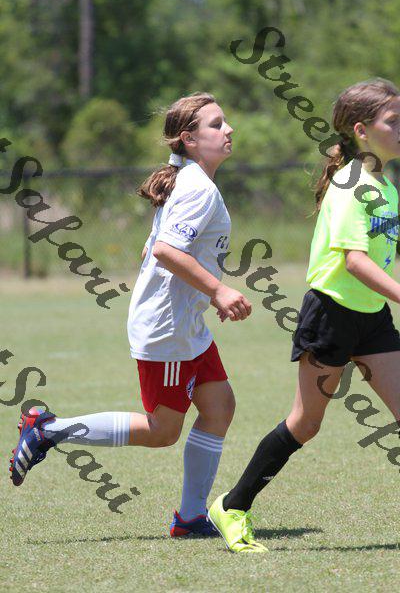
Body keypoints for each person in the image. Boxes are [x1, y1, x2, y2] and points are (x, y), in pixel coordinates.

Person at [9, 92, 252, 537]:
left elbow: (150, 247)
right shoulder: (197, 188)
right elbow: (165, 251)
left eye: (225, 122)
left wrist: (202, 296)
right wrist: (217, 290)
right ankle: (48, 430)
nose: (228, 130)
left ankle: (191, 518)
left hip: (185, 324)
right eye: (217, 124)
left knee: (219, 407)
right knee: (162, 431)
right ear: (190, 139)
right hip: (168, 329)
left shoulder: (189, 180)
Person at [209, 78, 400, 552]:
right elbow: (354, 261)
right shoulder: (351, 184)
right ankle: (231, 506)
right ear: (361, 131)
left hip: (372, 316)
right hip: (332, 316)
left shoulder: (385, 185)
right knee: (306, 423)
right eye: (394, 121)